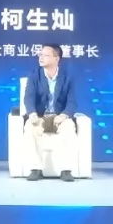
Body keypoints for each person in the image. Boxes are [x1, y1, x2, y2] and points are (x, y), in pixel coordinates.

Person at [22, 44, 78, 182]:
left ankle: (66, 170)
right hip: (40, 116)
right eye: (40, 55)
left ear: (56, 58)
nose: (41, 58)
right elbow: (29, 98)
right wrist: (32, 113)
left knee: (69, 126)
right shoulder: (34, 76)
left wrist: (64, 115)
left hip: (59, 117)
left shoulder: (67, 78)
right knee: (30, 126)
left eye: (45, 55)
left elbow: (72, 102)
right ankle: (35, 169)